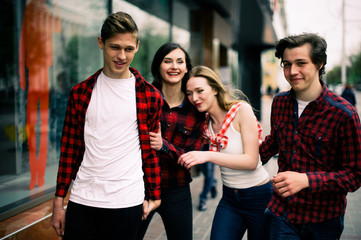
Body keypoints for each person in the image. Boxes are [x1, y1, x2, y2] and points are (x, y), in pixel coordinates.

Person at [51, 11, 163, 240]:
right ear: (101, 43)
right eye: (115, 47)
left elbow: (149, 150)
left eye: (128, 49)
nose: (122, 55)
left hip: (126, 200)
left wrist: (155, 194)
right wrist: (58, 203)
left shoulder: (150, 96)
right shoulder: (80, 93)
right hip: (83, 199)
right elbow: (70, 150)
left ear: (137, 47)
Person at [260, 33, 361, 239]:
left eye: (301, 63)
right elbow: (273, 143)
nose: (292, 71)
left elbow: (355, 175)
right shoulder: (279, 103)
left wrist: (307, 180)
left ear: (319, 63)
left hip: (323, 220)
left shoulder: (344, 114)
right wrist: (235, 154)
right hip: (282, 213)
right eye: (287, 64)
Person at [179, 65, 272, 240]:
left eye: (200, 90)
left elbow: (251, 161)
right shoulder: (204, 123)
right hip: (230, 198)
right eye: (190, 93)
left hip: (259, 197)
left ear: (214, 89)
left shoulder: (241, 111)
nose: (194, 98)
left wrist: (207, 155)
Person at [137, 43, 205, 240]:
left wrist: (163, 146)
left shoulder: (196, 107)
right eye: (167, 61)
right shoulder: (145, 99)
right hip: (141, 188)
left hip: (177, 189)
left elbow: (193, 154)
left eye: (179, 61)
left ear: (186, 68)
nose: (174, 66)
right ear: (158, 66)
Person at [19, 0, 62, 190]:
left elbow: (58, 27)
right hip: (33, 84)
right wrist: (22, 77)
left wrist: (56, 6)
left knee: (43, 130)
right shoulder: (30, 32)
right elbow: (21, 50)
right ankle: (35, 174)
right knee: (32, 129)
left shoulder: (45, 34)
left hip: (44, 84)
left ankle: (40, 174)